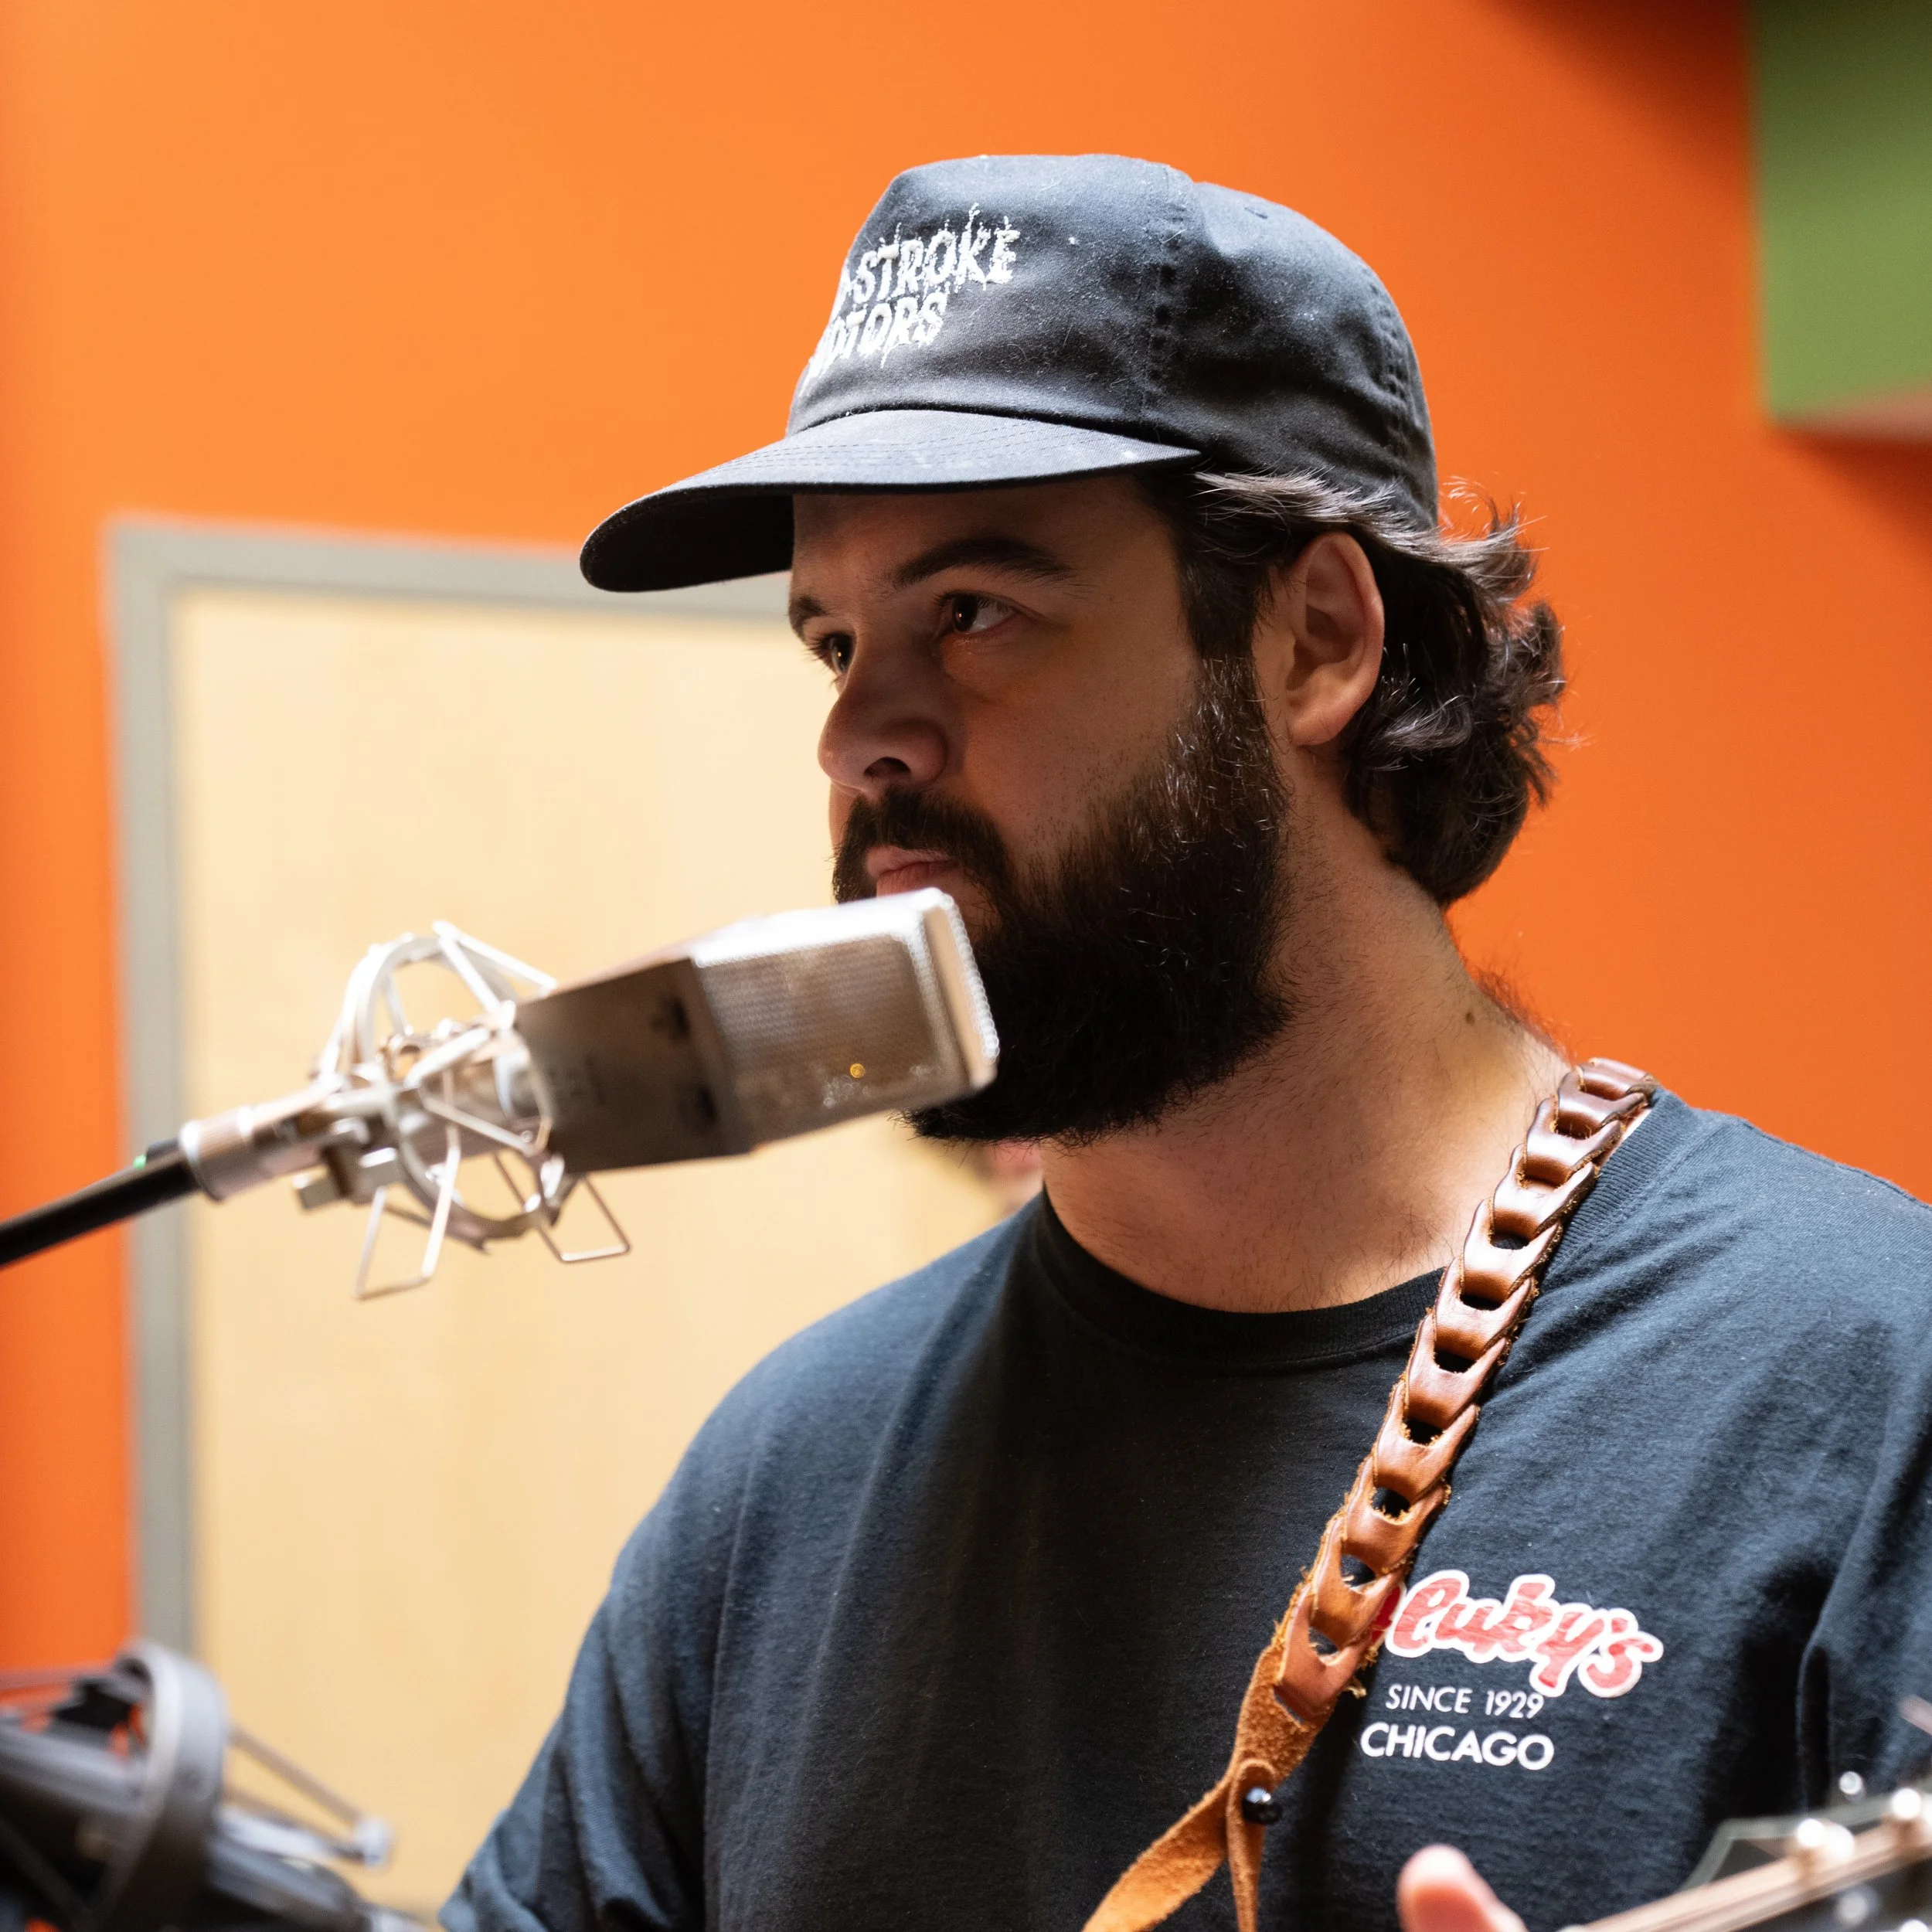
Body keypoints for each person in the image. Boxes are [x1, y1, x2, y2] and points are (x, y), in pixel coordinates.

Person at [442, 154, 1932, 1932]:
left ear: (1312, 637)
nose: (860, 735)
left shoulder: (1857, 1383)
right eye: (832, 639)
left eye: (973, 613)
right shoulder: (779, 1483)